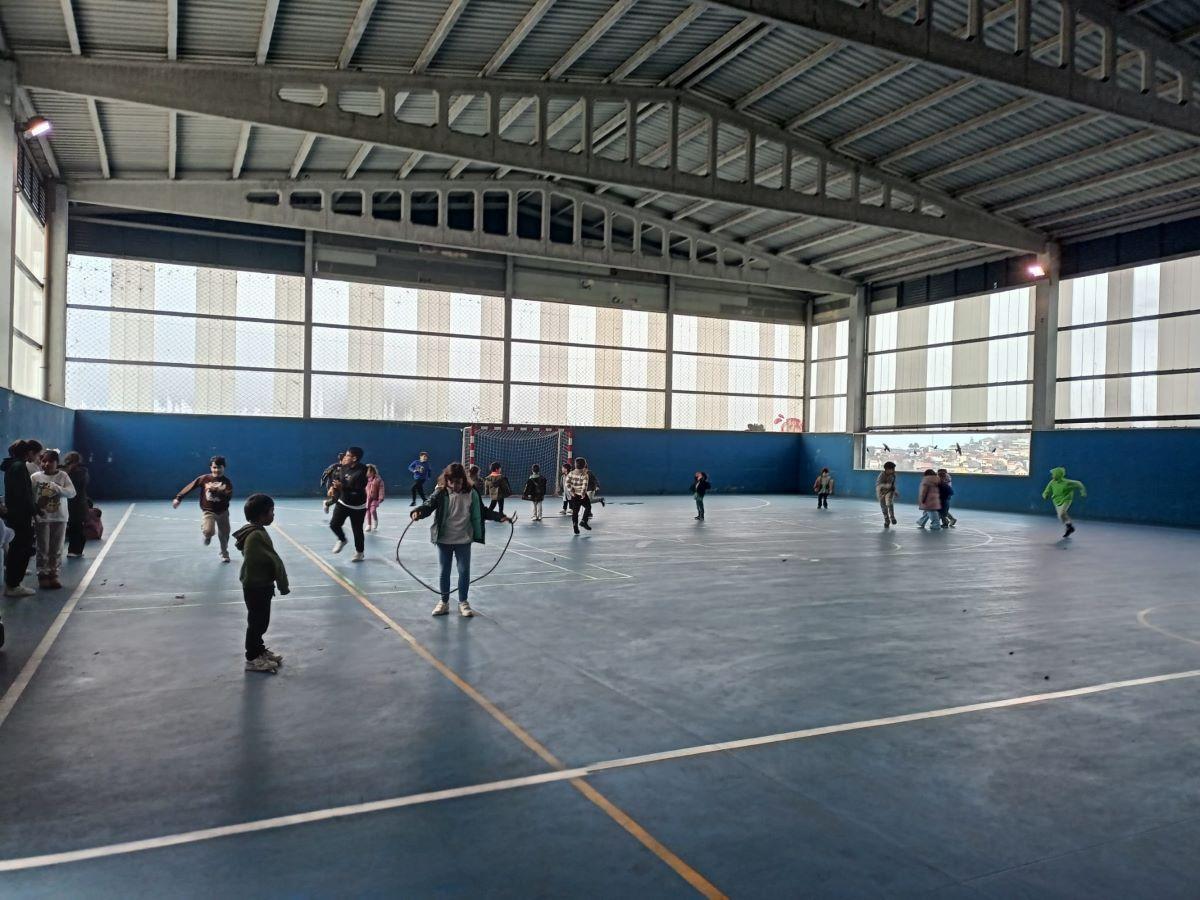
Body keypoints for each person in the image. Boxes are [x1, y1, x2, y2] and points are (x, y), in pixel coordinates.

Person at [410, 462, 509, 618]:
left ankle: (463, 602)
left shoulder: (472, 493)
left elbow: (482, 511)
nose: (455, 485)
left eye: (458, 482)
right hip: (444, 539)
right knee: (444, 571)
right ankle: (444, 602)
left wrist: (499, 516)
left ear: (463, 480)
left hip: (464, 539)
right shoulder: (440, 492)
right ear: (446, 480)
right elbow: (429, 504)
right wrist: (418, 512)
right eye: (451, 482)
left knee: (464, 571)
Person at [233, 493, 289, 674]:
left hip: (261, 584)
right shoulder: (255, 536)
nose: (273, 515)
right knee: (257, 622)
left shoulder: (256, 531)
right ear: (261, 515)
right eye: (271, 512)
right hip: (256, 586)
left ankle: (259, 650)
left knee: (261, 621)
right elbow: (273, 560)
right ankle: (252, 658)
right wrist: (282, 583)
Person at [173, 456, 234, 562]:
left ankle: (224, 553)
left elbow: (228, 496)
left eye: (219, 467)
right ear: (210, 467)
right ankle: (207, 534)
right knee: (209, 531)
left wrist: (216, 490)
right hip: (208, 511)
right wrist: (179, 498)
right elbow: (190, 486)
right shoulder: (204, 479)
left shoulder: (226, 482)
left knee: (225, 534)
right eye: (214, 467)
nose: (217, 470)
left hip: (223, 512)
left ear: (224, 468)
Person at [31, 449, 76, 590]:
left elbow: (72, 493)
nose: (46, 464)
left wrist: (57, 488)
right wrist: (34, 513)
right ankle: (42, 575)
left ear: (57, 463)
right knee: (42, 547)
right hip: (42, 517)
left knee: (56, 548)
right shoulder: (35, 477)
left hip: (60, 517)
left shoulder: (63, 476)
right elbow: (31, 496)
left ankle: (53, 574)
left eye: (50, 461)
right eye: (44, 461)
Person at [2, 440, 39, 597]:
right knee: (20, 549)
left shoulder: (14, 466)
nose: (37, 457)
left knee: (18, 548)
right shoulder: (19, 467)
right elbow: (23, 495)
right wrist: (35, 510)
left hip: (16, 514)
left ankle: (13, 582)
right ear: (29, 453)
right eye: (36, 454)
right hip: (20, 515)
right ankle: (13, 585)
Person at [330, 446, 369, 561]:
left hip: (358, 506)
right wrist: (333, 488)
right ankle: (342, 539)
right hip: (343, 502)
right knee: (334, 524)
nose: (345, 457)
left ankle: (360, 553)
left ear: (354, 458)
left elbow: (357, 490)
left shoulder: (362, 472)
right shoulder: (343, 467)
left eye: (347, 455)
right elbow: (338, 479)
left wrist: (342, 487)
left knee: (357, 530)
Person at [1042, 466, 1087, 538]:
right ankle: (1069, 527)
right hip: (1056, 500)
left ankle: (1069, 527)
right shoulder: (1052, 482)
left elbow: (1078, 483)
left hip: (1066, 499)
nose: (1052, 476)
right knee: (1061, 516)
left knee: (1062, 513)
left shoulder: (1067, 482)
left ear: (1058, 474)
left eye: (1053, 474)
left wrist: (1082, 492)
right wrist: (1045, 494)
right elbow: (1047, 490)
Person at [63, 451, 90, 558]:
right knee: (73, 527)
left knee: (77, 527)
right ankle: (73, 549)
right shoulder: (72, 472)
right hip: (71, 503)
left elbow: (75, 485)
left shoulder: (81, 472)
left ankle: (76, 550)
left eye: (70, 461)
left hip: (78, 504)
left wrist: (68, 471)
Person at [565, 457, 594, 535]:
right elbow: (585, 485)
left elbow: (567, 483)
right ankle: (584, 521)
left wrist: (571, 491)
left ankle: (575, 526)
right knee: (588, 507)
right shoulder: (585, 475)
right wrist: (583, 494)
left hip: (574, 495)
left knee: (575, 511)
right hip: (582, 495)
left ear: (575, 465)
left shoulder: (571, 473)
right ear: (584, 465)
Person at [876, 461, 899, 528]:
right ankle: (887, 520)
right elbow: (879, 485)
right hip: (881, 492)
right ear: (887, 469)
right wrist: (887, 486)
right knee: (884, 508)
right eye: (892, 469)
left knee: (889, 503)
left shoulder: (893, 475)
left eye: (894, 469)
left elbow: (893, 484)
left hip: (889, 492)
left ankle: (892, 518)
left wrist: (895, 491)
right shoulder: (881, 475)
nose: (894, 470)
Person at [365, 464, 386, 532]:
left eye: (368, 471)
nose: (367, 473)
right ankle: (369, 525)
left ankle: (375, 520)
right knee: (367, 510)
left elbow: (381, 489)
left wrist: (380, 498)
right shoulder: (365, 480)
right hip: (367, 498)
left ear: (373, 472)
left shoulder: (378, 480)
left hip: (375, 499)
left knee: (373, 510)